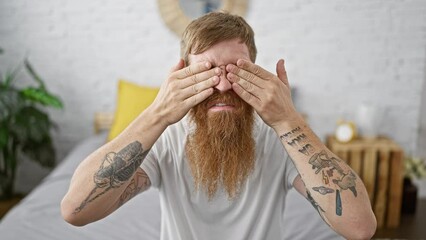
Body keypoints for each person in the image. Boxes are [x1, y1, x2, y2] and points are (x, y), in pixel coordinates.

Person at [61, 12, 377, 239]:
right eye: (207, 71)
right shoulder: (167, 136)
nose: (223, 86)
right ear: (182, 74)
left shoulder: (279, 136)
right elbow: (75, 211)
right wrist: (158, 112)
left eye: (236, 70)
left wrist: (288, 118)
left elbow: (360, 228)